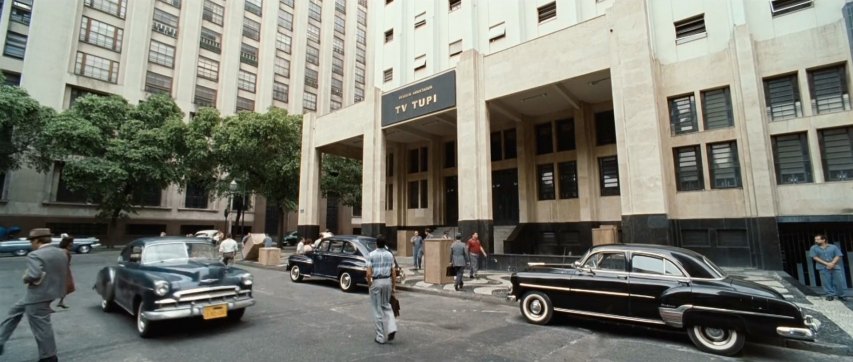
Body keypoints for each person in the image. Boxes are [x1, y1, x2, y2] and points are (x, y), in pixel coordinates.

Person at [0, 228, 68, 362]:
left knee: (42, 327)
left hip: (38, 296)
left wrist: (26, 278)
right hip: (51, 292)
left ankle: (48, 357)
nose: (31, 244)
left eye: (32, 241)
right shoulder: (61, 253)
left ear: (37, 240)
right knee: (14, 311)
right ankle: (0, 340)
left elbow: (33, 274)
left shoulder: (35, 255)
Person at [365, 235, 397, 344]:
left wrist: (370, 284)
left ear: (376, 244)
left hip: (377, 281)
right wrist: (393, 286)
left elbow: (369, 273)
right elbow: (393, 272)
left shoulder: (371, 255)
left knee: (377, 309)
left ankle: (380, 336)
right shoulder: (390, 255)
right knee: (387, 305)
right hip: (387, 281)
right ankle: (392, 327)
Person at [810, 234, 847, 301]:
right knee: (826, 282)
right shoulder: (813, 248)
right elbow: (815, 257)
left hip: (835, 267)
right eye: (815, 239)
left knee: (839, 282)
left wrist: (832, 263)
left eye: (818, 239)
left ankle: (841, 295)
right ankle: (830, 295)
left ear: (823, 240)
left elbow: (838, 255)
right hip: (822, 267)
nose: (816, 241)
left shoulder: (833, 247)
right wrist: (827, 264)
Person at [55, 235, 76, 309]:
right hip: (64, 271)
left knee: (65, 287)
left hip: (64, 270)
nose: (72, 244)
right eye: (71, 242)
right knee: (66, 286)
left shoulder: (63, 250)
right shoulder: (65, 251)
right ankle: (58, 302)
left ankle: (61, 302)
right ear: (68, 243)